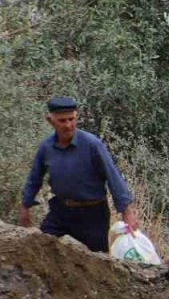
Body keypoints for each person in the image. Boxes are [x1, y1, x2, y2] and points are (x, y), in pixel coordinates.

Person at [18, 97, 138, 252]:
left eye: (71, 119)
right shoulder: (46, 147)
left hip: (93, 215)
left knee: (97, 262)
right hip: (60, 212)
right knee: (41, 248)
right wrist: (25, 205)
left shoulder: (92, 145)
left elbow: (113, 176)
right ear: (50, 120)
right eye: (62, 121)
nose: (68, 125)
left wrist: (126, 210)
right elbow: (34, 178)